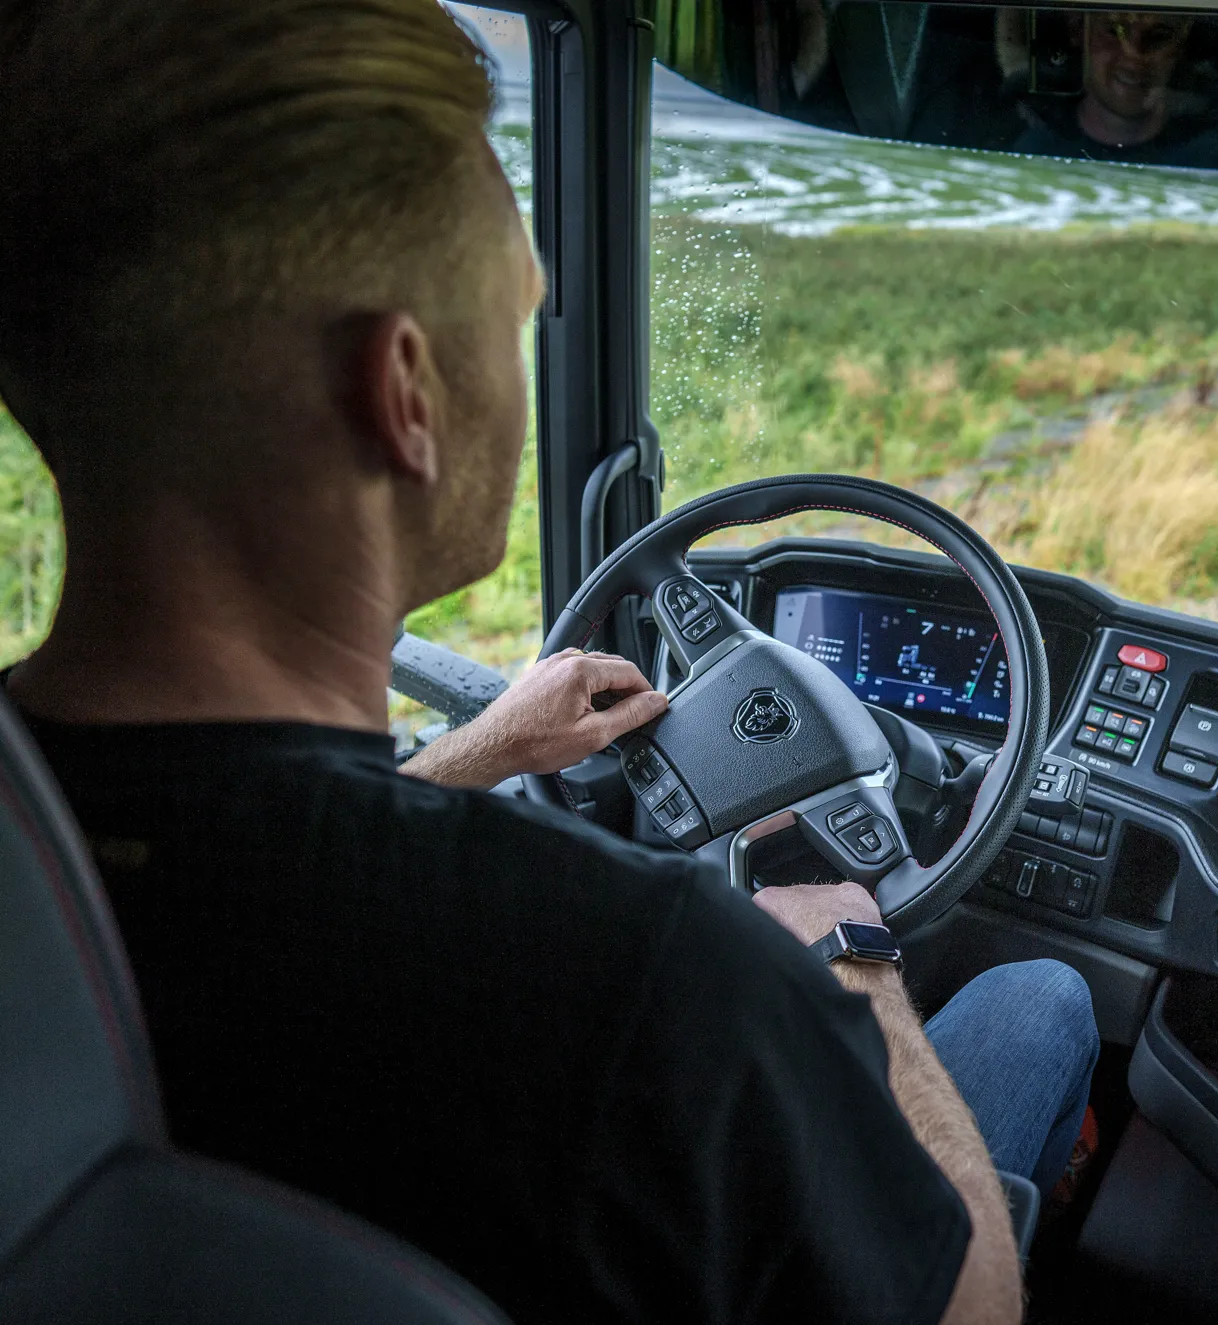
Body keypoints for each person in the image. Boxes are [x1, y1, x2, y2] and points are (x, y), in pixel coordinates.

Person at [0, 2, 1096, 1322]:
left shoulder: (34, 867)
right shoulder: (654, 984)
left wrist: (481, 754)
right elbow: (968, 1310)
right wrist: (848, 946)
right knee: (1039, 1003)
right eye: (517, 316)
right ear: (405, 392)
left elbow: (233, 845)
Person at [1011, 11, 1218, 169]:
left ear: (1182, 43)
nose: (1134, 55)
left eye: (1159, 35)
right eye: (1114, 30)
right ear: (1079, 31)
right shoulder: (1036, 154)